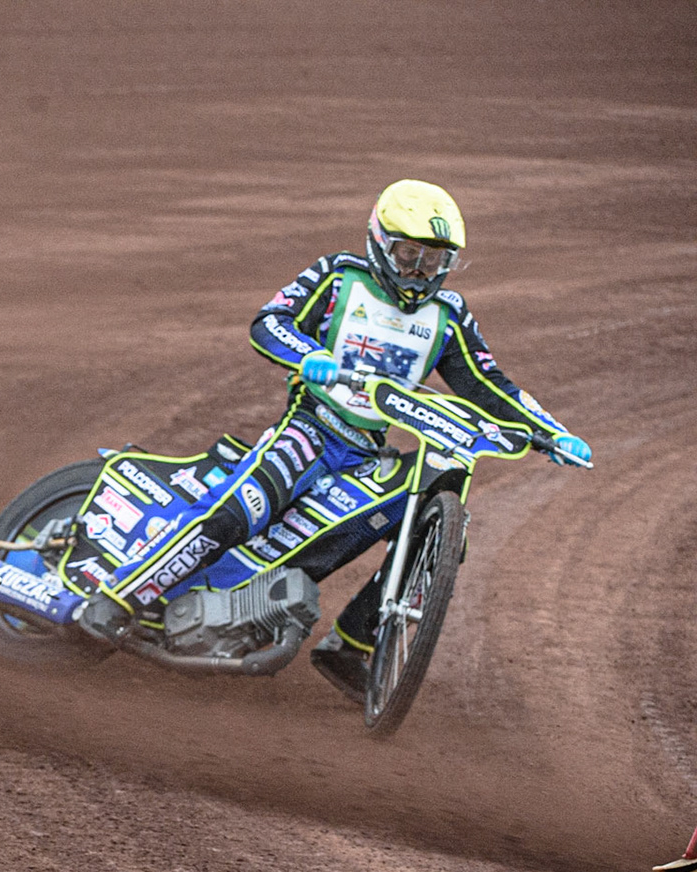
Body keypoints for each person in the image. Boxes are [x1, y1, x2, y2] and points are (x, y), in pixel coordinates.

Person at [76, 180, 592, 697]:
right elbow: (269, 322)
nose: (418, 272)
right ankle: (118, 599)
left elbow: (490, 386)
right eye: (409, 254)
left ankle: (351, 645)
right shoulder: (338, 277)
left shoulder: (448, 317)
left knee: (438, 520)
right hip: (309, 429)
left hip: (366, 453)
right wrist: (307, 355)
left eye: (433, 262)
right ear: (379, 241)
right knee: (243, 510)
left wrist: (553, 434)